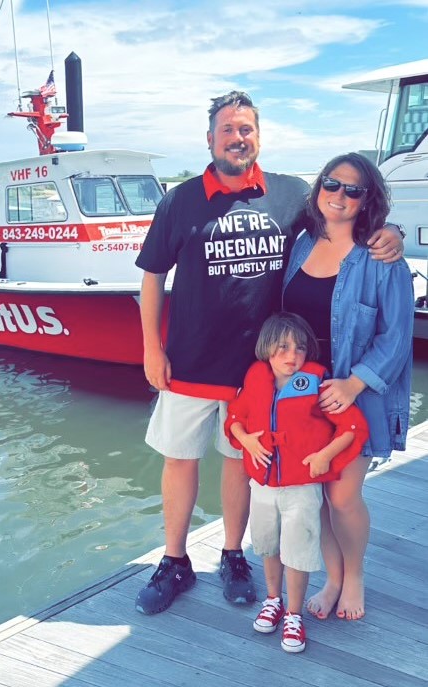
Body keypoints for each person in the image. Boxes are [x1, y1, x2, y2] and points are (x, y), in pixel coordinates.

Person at [133, 91, 403, 617]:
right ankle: (173, 560)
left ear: (259, 136)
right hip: (188, 360)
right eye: (228, 129)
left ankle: (234, 556)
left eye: (247, 129)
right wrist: (152, 347)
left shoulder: (289, 196)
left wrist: (389, 230)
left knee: (244, 461)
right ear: (210, 138)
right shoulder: (180, 200)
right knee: (179, 459)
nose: (238, 138)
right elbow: (151, 276)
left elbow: (348, 222)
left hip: (258, 371)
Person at [282, 152, 414, 620]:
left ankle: (354, 575)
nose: (339, 195)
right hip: (303, 395)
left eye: (353, 190)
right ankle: (333, 579)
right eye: (332, 184)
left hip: (353, 397)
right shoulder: (301, 243)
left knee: (342, 494)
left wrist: (354, 384)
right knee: (318, 492)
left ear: (367, 200)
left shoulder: (382, 258)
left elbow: (397, 337)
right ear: (319, 187)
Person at [225, 312, 368, 652]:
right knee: (268, 545)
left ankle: (293, 615)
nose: (292, 356)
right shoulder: (255, 380)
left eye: (300, 348)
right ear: (267, 349)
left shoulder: (315, 384)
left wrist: (323, 457)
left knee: (297, 550)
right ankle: (273, 600)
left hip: (301, 490)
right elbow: (234, 418)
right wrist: (247, 440)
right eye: (283, 347)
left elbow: (351, 427)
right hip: (262, 487)